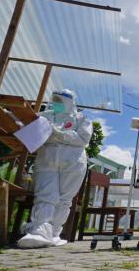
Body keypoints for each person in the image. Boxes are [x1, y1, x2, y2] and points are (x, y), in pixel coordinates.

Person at [18, 89, 93, 248]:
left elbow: (82, 139)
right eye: (55, 99)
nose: (57, 103)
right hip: (47, 158)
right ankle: (39, 230)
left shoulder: (82, 119)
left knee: (64, 198)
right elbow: (28, 126)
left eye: (61, 100)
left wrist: (57, 133)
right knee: (45, 194)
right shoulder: (45, 115)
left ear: (70, 102)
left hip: (73, 161)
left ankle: (54, 233)